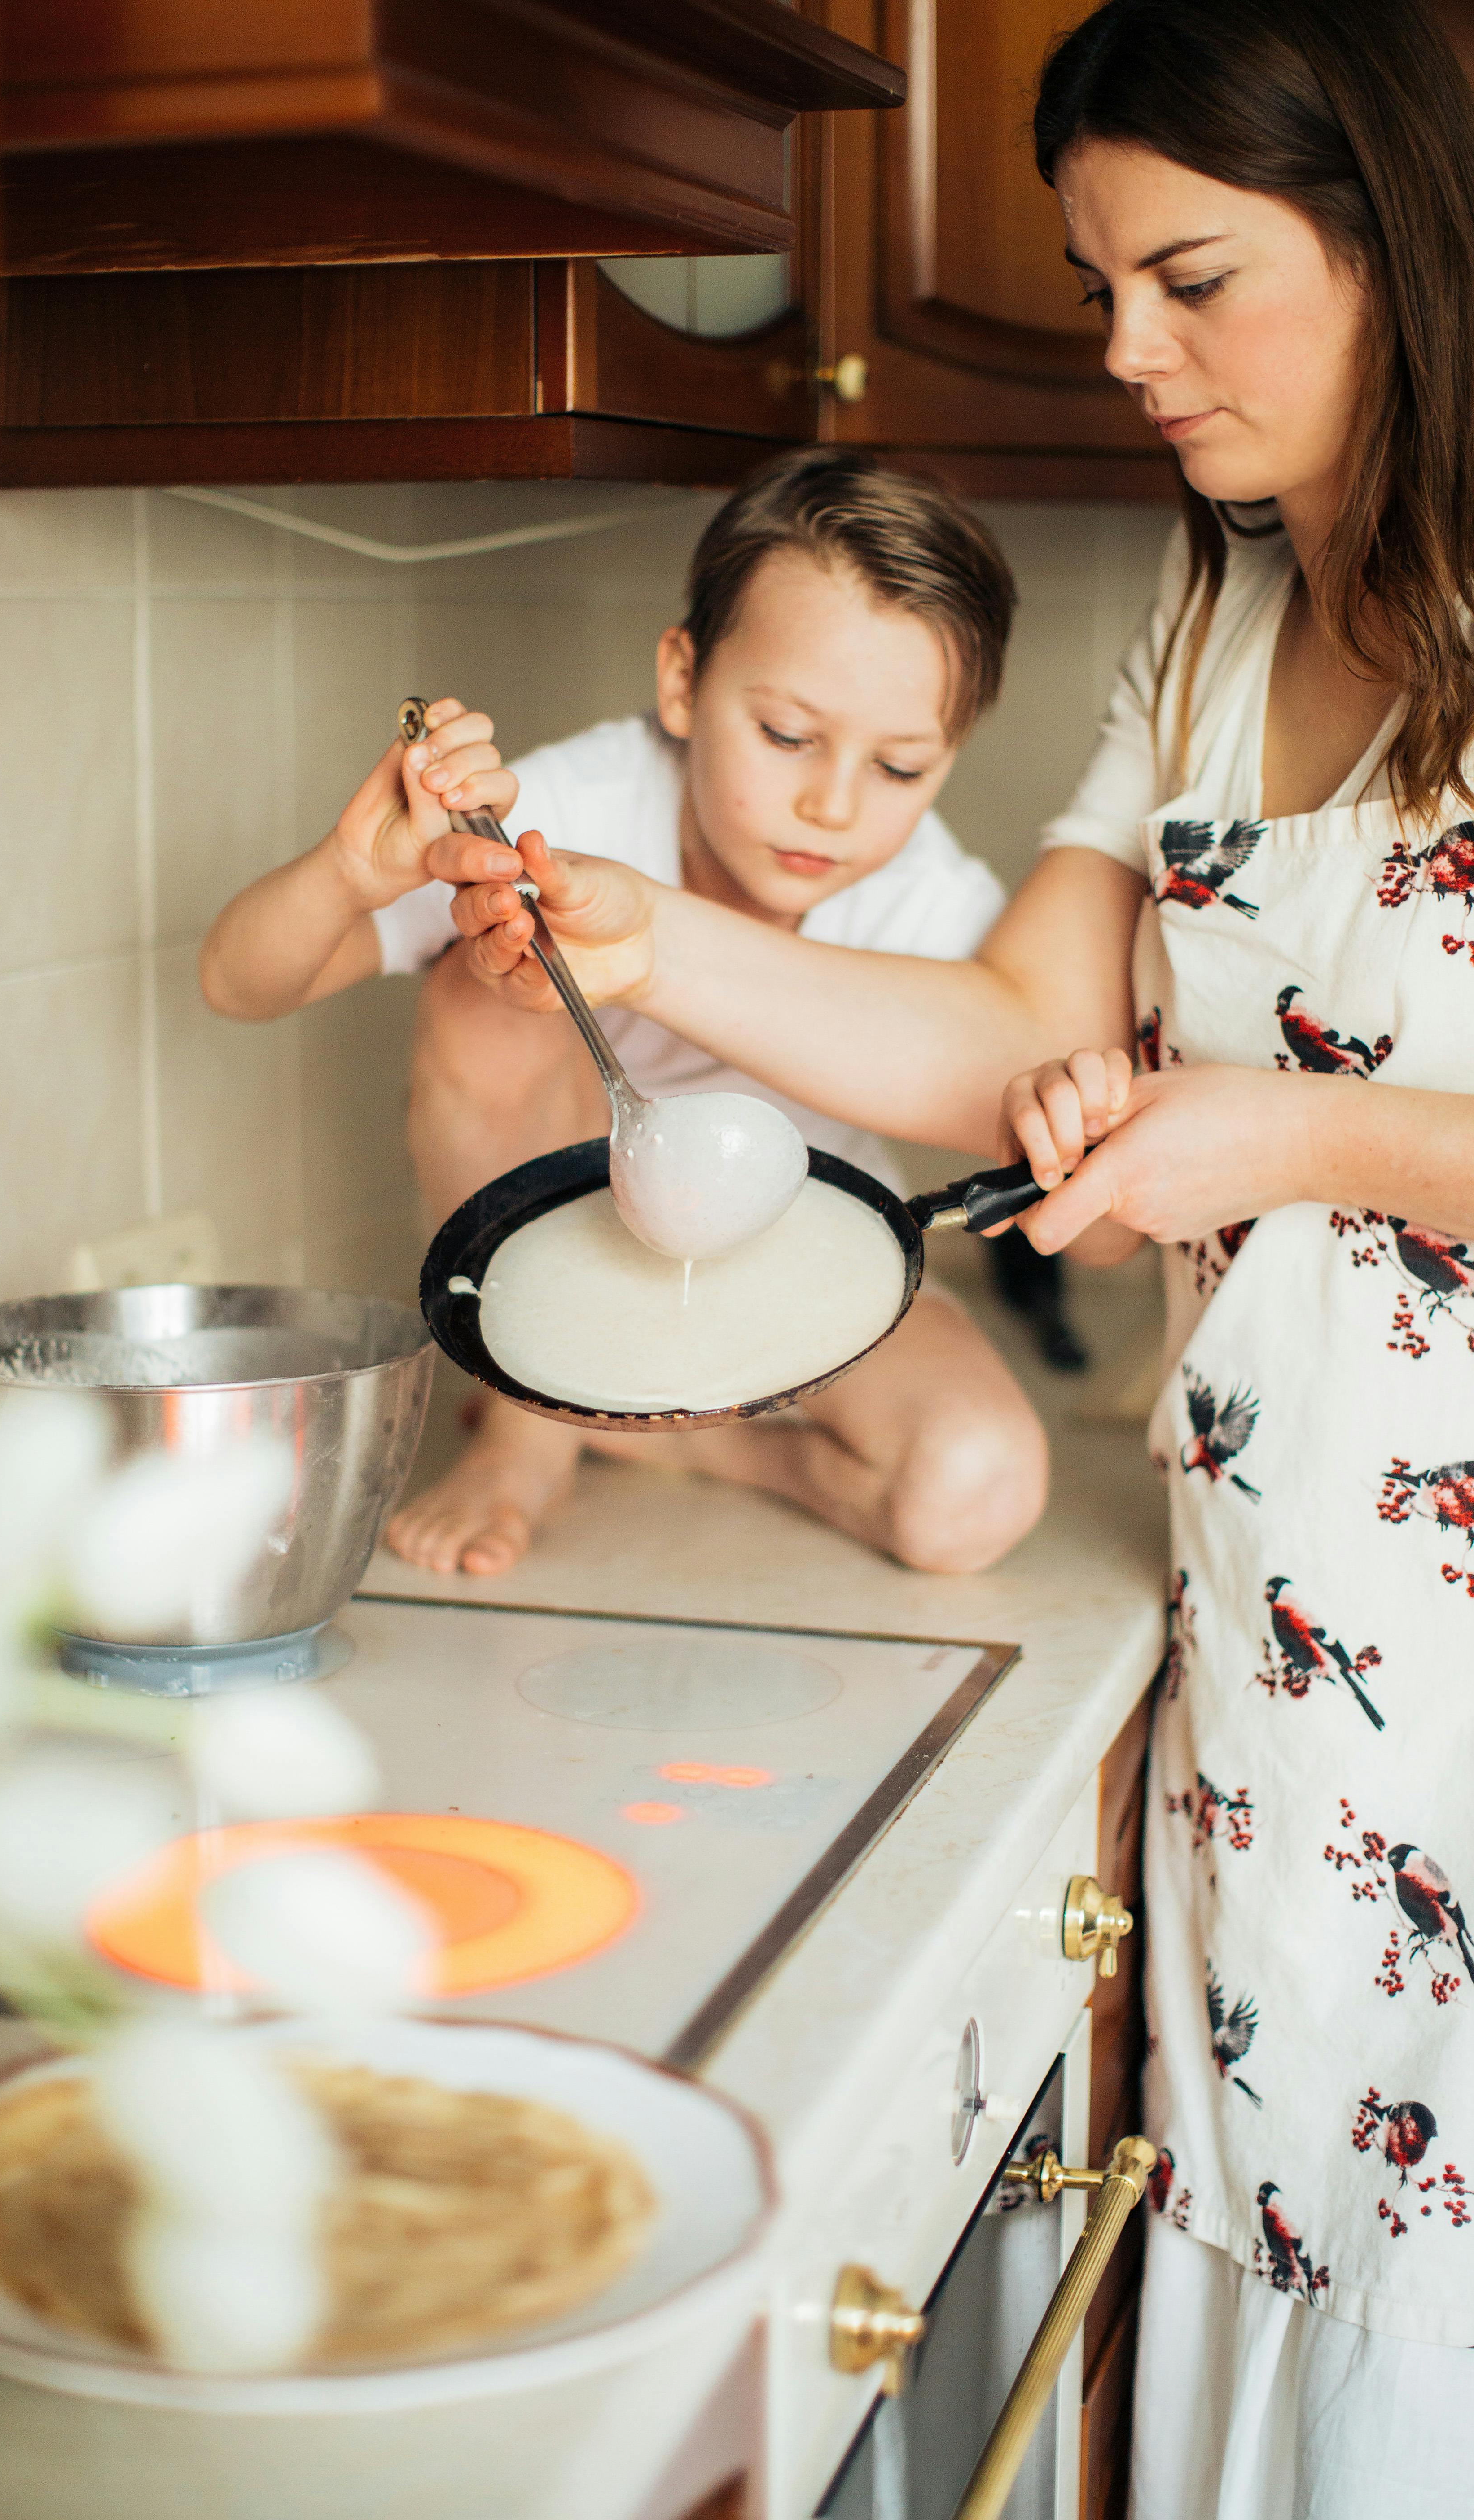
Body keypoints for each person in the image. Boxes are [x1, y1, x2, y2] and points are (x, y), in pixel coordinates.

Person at [443, 3, 1474, 2507]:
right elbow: (1013, 1019)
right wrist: (642, 945)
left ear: (1392, 241)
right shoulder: (1208, 621)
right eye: (1101, 279)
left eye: (1188, 277)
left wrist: (1290, 1128)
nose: (1127, 347)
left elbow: (1308, 1118)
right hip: (1284, 1625)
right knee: (1279, 2288)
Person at [202, 449, 1050, 1580]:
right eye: (789, 736)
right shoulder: (571, 811)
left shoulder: (935, 901)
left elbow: (1040, 1121)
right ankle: (536, 1417)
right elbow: (239, 982)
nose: (832, 805)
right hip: (568, 1270)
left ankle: (673, 1438)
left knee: (976, 1491)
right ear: (683, 684)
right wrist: (351, 875)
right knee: (491, 957)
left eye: (900, 767)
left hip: (807, 1270)